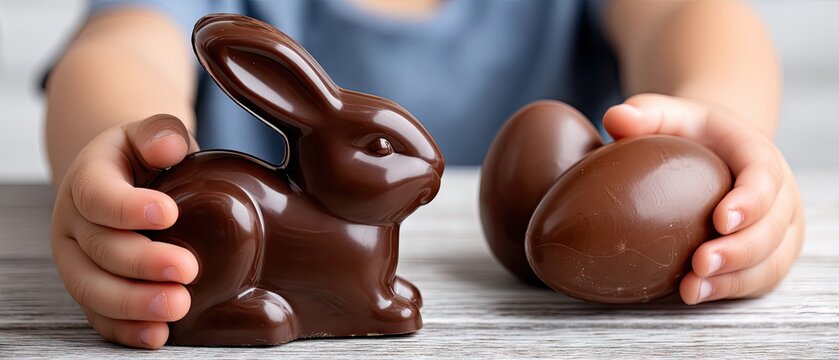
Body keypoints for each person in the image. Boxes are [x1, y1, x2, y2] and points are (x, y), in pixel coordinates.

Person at [45, 0, 804, 349]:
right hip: (202, 266)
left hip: (575, 250)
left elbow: (690, 13)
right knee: (227, 219)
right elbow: (123, 44)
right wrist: (128, 156)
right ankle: (229, 306)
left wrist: (714, 131)